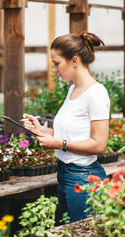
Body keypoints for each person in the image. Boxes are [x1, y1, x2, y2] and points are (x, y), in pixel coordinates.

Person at [22, 32, 110, 223]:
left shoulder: (96, 94)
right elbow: (70, 135)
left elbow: (99, 145)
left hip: (84, 178)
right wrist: (40, 130)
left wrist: (58, 143)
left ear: (74, 60)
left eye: (56, 63)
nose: (54, 69)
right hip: (66, 174)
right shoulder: (72, 90)